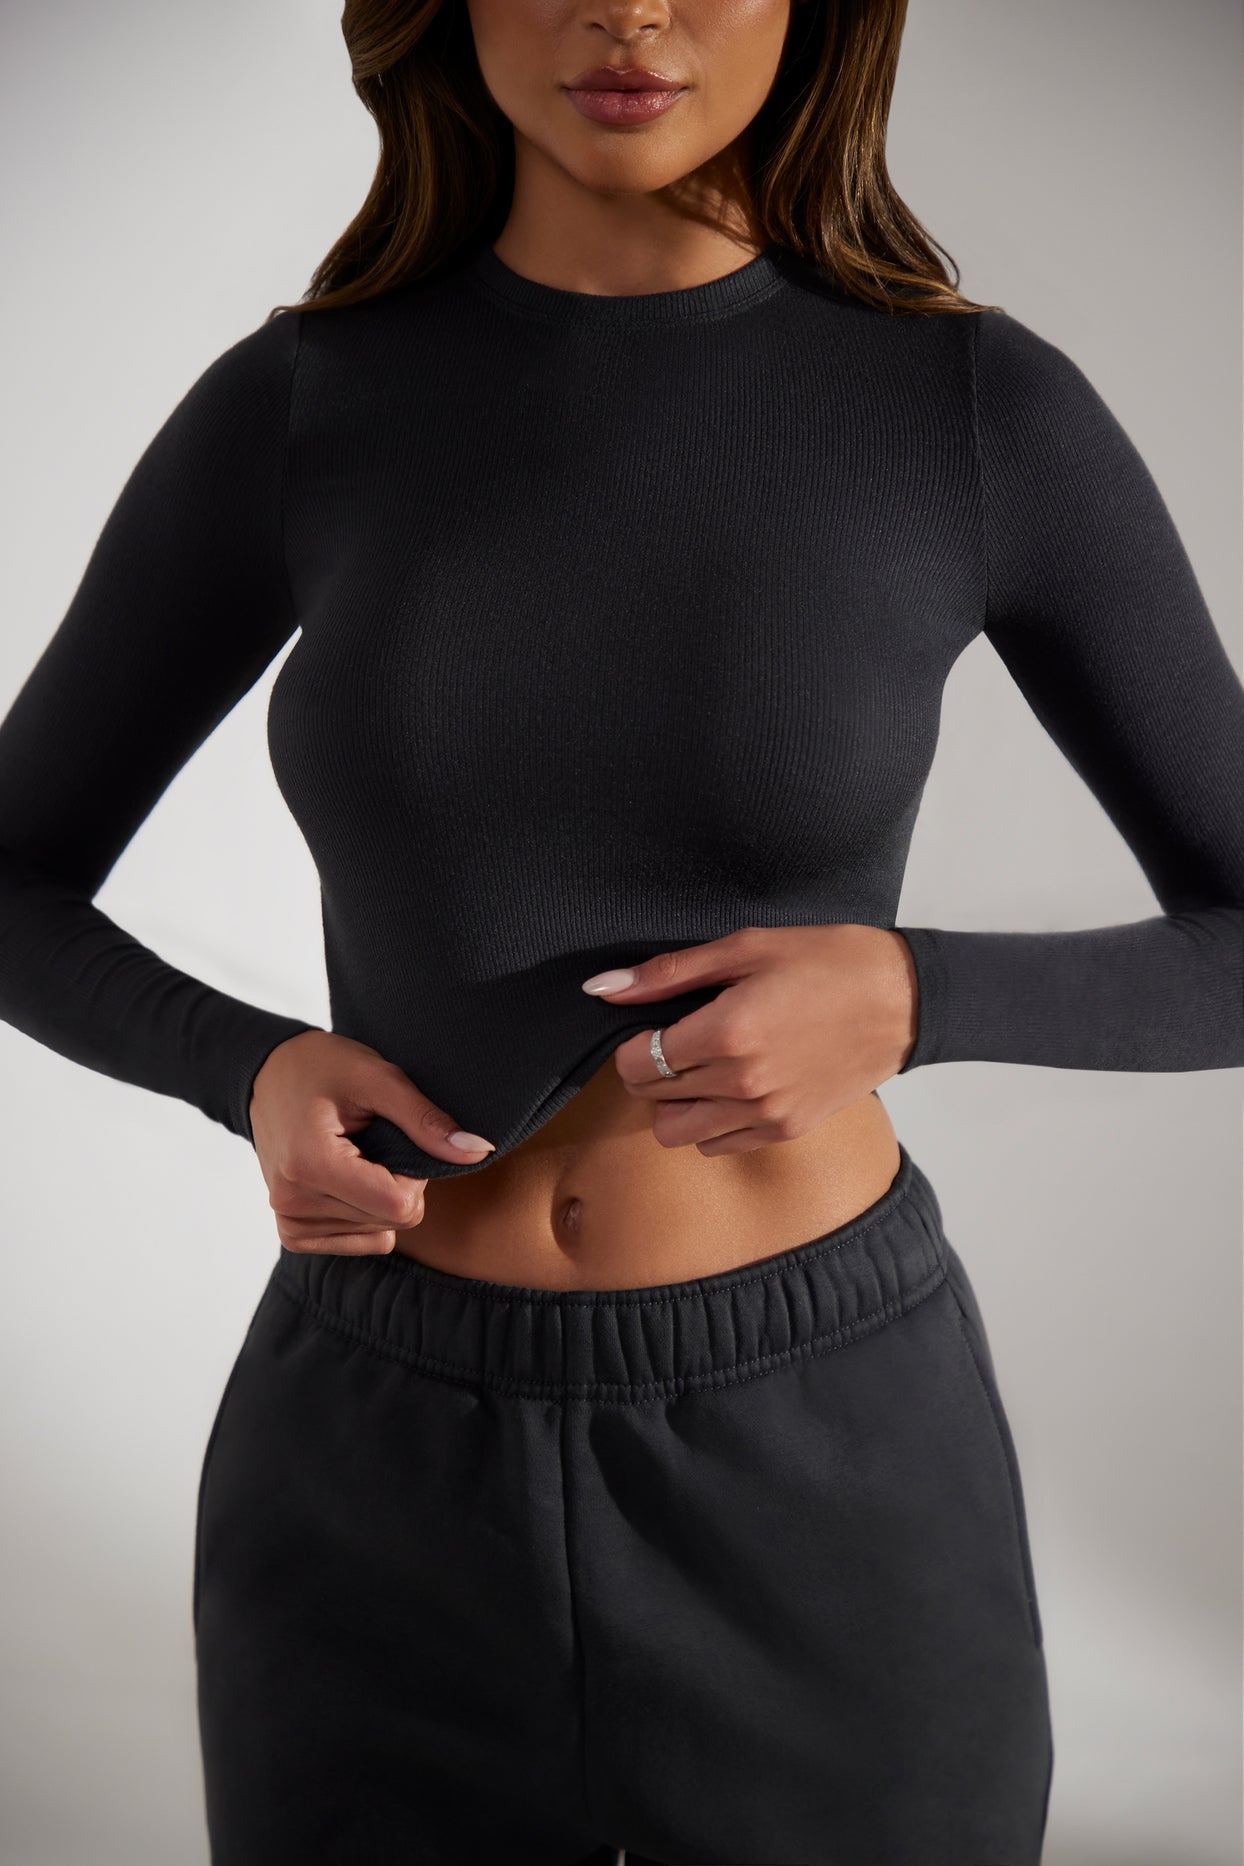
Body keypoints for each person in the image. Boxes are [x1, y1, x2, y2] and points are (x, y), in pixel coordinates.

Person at [2, 0, 1241, 1861]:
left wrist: (916, 993)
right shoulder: (305, 403)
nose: (629, 9)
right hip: (370, 1460)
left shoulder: (972, 409)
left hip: (823, 1463)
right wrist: (241, 1066)